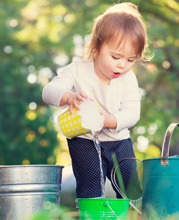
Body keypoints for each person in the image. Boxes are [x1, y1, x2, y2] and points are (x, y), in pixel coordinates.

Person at [42, 2, 152, 208]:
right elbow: (48, 92)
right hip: (84, 140)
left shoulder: (128, 80)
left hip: (118, 141)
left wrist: (108, 121)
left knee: (129, 183)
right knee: (90, 184)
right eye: (115, 57)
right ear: (96, 47)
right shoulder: (77, 70)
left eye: (130, 59)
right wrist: (68, 97)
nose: (122, 65)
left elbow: (132, 113)